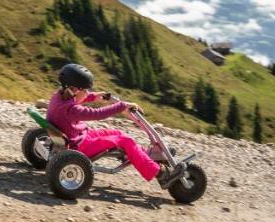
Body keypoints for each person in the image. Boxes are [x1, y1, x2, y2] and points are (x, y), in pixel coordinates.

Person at [45, 63, 186, 185]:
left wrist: (96, 96)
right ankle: (161, 175)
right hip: (79, 146)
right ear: (74, 90)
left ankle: (144, 155)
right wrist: (122, 105)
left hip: (76, 136)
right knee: (125, 141)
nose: (88, 92)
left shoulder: (59, 96)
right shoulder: (71, 109)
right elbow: (97, 114)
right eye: (86, 89)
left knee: (117, 133)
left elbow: (80, 99)